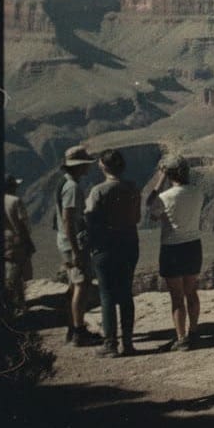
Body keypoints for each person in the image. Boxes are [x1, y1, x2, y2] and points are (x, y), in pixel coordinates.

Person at [84, 149, 142, 357]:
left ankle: (110, 345)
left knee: (107, 295)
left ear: (103, 166)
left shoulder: (98, 191)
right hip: (129, 243)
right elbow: (137, 218)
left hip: (105, 246)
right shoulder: (133, 188)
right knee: (126, 294)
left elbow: (89, 219)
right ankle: (128, 343)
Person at [146, 153, 204, 351]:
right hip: (193, 246)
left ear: (169, 174)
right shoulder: (198, 192)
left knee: (177, 297)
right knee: (191, 292)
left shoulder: (164, 198)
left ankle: (182, 338)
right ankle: (194, 332)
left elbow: (151, 210)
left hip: (172, 249)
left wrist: (160, 179)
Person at [54, 145, 99, 345]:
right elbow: (68, 220)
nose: (88, 167)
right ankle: (79, 332)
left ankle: (73, 328)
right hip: (73, 244)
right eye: (86, 164)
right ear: (79, 166)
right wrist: (76, 251)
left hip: (65, 241)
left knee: (74, 285)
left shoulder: (64, 183)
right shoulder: (72, 187)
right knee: (82, 285)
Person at [3, 174, 36, 318]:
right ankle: (18, 305)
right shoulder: (15, 201)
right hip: (17, 242)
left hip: (3, 242)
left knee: (9, 273)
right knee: (18, 274)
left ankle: (14, 304)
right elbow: (22, 223)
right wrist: (28, 241)